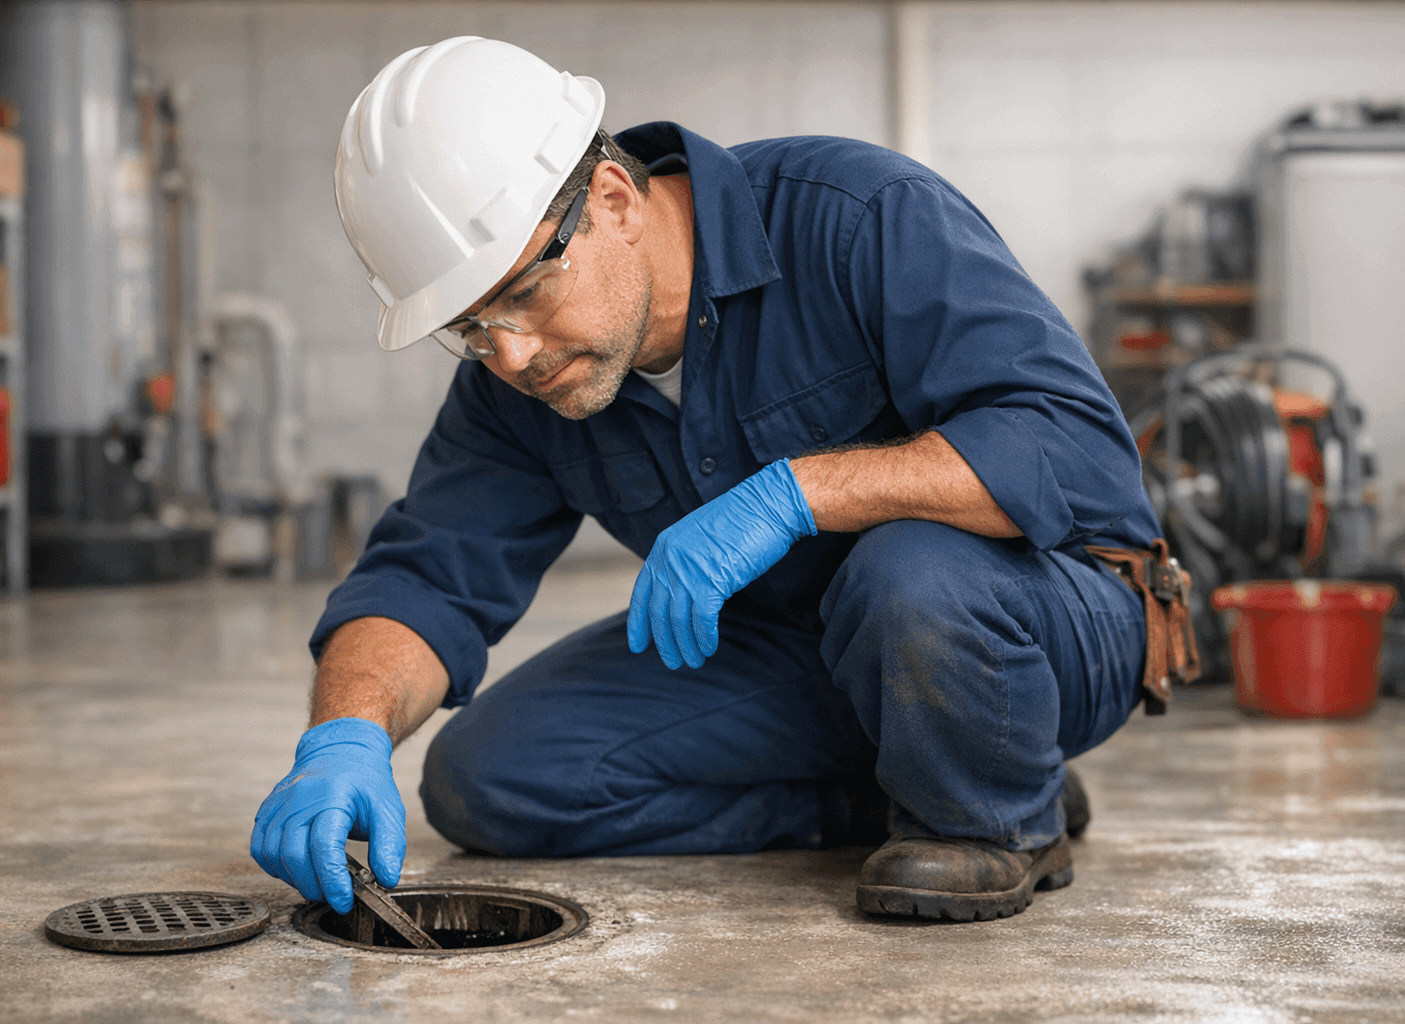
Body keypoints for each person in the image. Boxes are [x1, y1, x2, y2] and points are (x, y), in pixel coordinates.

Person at [251, 36, 1172, 924]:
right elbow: (426, 576)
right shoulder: (515, 377)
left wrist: (797, 493)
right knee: (490, 777)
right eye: (469, 324)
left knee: (906, 573)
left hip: (1041, 613)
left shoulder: (857, 217)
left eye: (525, 291)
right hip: (809, 650)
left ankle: (997, 818)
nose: (512, 353)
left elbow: (1075, 451)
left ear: (611, 195)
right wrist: (347, 737)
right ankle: (924, 775)